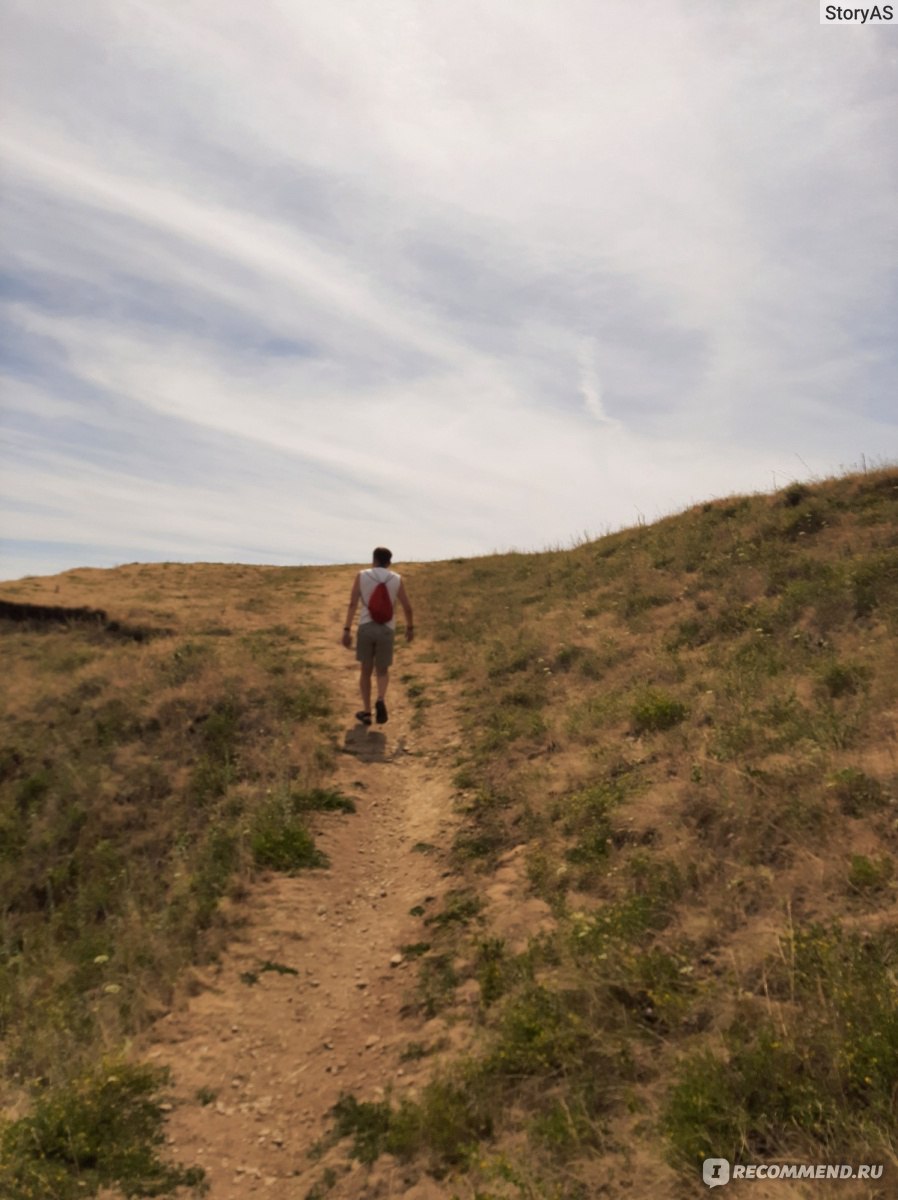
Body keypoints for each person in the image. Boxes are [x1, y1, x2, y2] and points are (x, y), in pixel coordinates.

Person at [341, 547, 414, 725]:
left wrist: (347, 629)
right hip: (386, 629)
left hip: (366, 627)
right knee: (382, 670)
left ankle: (366, 712)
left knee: (365, 671)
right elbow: (407, 606)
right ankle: (380, 699)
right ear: (389, 562)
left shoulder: (362, 575)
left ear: (373, 559)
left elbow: (352, 604)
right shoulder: (396, 579)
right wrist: (410, 627)